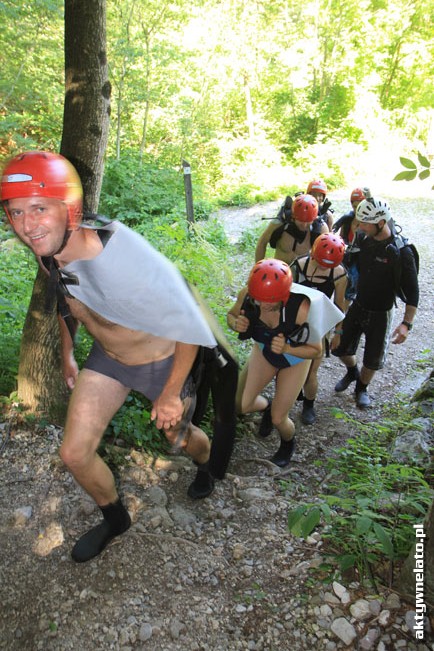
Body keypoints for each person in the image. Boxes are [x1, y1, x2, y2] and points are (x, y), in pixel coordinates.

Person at [0, 150, 232, 563]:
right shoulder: (48, 246)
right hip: (108, 360)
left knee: (179, 439)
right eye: (16, 213)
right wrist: (68, 354)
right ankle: (115, 517)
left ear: (68, 207)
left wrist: (171, 394)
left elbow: (190, 327)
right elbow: (66, 297)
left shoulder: (128, 260)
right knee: (73, 453)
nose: (27, 225)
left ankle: (205, 464)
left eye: (38, 208)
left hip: (163, 364)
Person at [227, 258, 343, 467]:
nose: (262, 305)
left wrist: (288, 348)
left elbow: (316, 351)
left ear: (283, 295)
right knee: (240, 404)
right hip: (264, 350)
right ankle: (266, 407)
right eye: (258, 299)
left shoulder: (301, 308)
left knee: (279, 419)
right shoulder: (248, 295)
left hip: (296, 359)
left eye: (269, 300)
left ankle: (288, 442)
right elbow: (231, 315)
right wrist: (236, 323)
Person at [332, 196, 419, 408]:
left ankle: (361, 388)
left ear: (380, 223)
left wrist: (406, 324)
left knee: (372, 360)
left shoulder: (402, 253)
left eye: (364, 222)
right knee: (340, 349)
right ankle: (352, 371)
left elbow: (413, 292)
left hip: (382, 311)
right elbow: (347, 264)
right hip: (358, 304)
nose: (359, 226)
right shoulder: (362, 238)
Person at [291, 233, 347, 424]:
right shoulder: (299, 265)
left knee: (312, 369)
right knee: (289, 363)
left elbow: (340, 305)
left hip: (319, 325)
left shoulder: (338, 274)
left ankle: (309, 404)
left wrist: (338, 332)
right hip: (294, 322)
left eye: (328, 265)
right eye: (321, 263)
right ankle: (290, 393)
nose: (323, 268)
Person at [254, 193, 328, 266]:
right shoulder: (278, 224)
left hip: (301, 274)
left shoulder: (321, 229)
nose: (304, 225)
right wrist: (259, 267)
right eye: (301, 221)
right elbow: (262, 243)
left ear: (314, 219)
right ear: (293, 217)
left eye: (308, 221)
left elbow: (326, 257)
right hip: (279, 269)